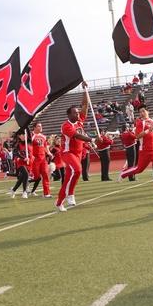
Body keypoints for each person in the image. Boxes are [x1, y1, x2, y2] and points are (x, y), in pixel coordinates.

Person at [56, 84, 94, 212]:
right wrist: (91, 139)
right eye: (75, 113)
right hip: (68, 153)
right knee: (78, 170)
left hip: (78, 154)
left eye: (78, 113)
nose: (78, 114)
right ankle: (71, 194)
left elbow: (85, 105)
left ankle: (59, 202)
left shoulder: (79, 121)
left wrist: (85, 90)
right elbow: (77, 135)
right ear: (69, 115)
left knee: (67, 179)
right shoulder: (66, 126)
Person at [30, 123, 52, 197]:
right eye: (39, 126)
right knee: (36, 177)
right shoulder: (31, 136)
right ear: (34, 127)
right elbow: (29, 147)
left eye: (41, 126)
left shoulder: (43, 136)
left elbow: (45, 147)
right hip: (35, 159)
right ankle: (25, 183)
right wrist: (31, 157)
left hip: (43, 159)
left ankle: (47, 193)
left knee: (45, 175)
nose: (41, 127)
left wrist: (49, 153)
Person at [10, 129, 33, 199]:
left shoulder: (29, 142)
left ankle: (13, 190)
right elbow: (16, 153)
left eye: (25, 134)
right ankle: (24, 192)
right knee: (26, 174)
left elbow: (29, 133)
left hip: (29, 162)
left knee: (22, 178)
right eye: (22, 135)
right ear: (19, 136)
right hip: (20, 162)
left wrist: (26, 125)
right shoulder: (17, 144)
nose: (24, 136)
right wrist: (23, 158)